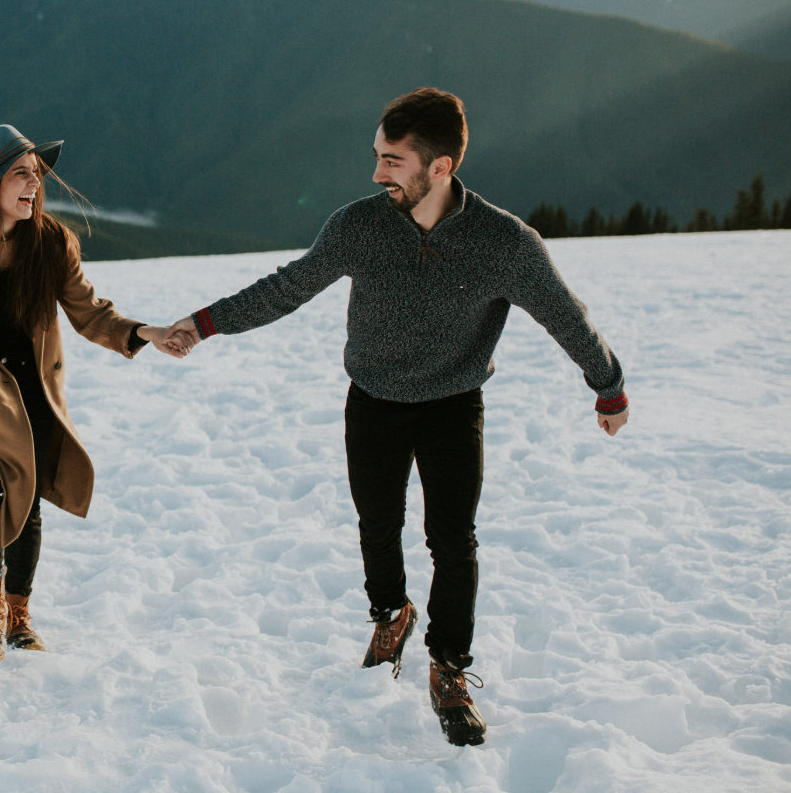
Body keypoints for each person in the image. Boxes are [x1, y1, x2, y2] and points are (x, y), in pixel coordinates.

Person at [163, 88, 629, 746]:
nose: (377, 173)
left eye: (392, 160)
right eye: (377, 156)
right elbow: (289, 286)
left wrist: (608, 387)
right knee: (378, 526)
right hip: (374, 402)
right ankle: (391, 612)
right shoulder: (360, 225)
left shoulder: (503, 243)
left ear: (439, 167)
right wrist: (204, 324)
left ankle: (449, 666)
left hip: (451, 405)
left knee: (453, 537)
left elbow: (564, 314)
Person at [0, 124, 187, 661]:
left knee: (26, 497)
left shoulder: (52, 241)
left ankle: (18, 610)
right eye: (20, 174)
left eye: (36, 173)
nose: (35, 184)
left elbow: (90, 313)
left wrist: (144, 332)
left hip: (32, 384)